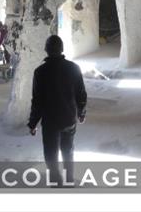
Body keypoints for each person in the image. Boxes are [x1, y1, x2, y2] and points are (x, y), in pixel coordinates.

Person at [27, 34, 87, 186]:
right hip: (69, 119)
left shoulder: (40, 72)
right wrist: (81, 113)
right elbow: (81, 94)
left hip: (50, 123)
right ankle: (69, 180)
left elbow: (37, 101)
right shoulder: (74, 68)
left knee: (51, 155)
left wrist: (33, 123)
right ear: (62, 49)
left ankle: (56, 182)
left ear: (46, 50)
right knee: (68, 152)